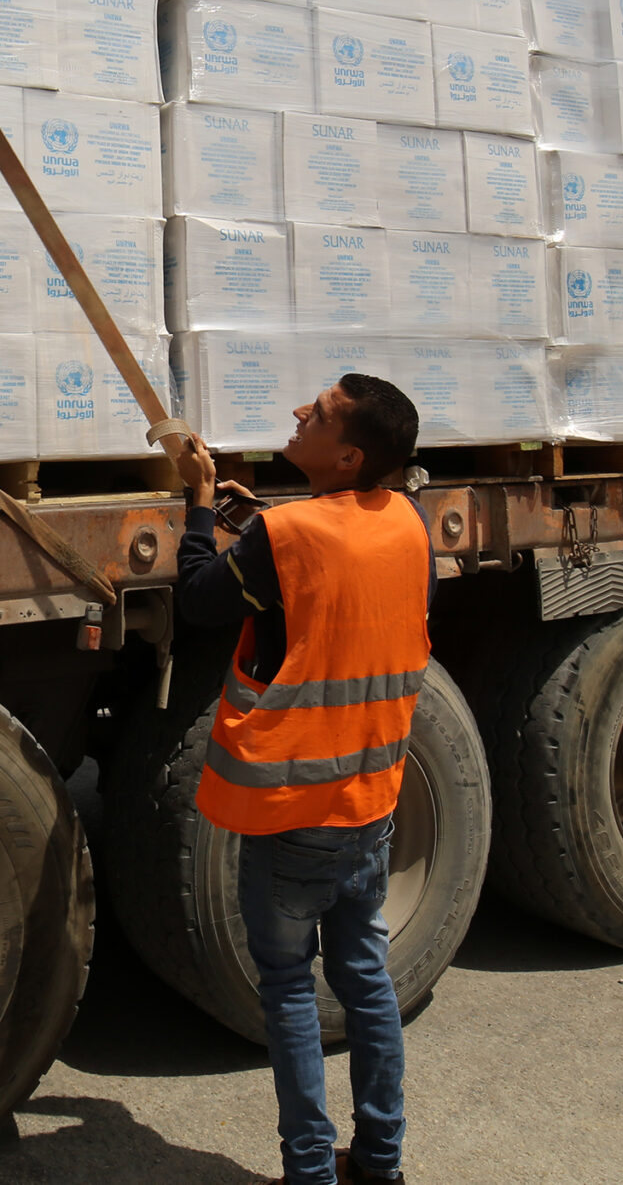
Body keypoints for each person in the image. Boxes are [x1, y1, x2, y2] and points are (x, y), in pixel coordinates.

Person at [170, 375, 431, 1185]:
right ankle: (379, 1161)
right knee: (363, 975)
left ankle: (310, 1171)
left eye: (315, 414)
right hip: (370, 798)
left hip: (293, 811)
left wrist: (198, 508)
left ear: (348, 453)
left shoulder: (288, 535)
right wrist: (253, 524)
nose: (297, 413)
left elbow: (198, 599)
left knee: (288, 984)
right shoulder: (405, 523)